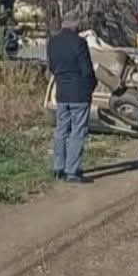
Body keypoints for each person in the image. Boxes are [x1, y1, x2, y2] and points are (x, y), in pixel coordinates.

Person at [47, 11, 97, 184]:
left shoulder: (52, 42)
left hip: (61, 92)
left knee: (61, 130)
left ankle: (58, 167)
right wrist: (91, 87)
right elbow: (87, 70)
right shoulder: (80, 43)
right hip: (79, 93)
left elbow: (52, 67)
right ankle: (72, 171)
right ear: (75, 25)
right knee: (77, 131)